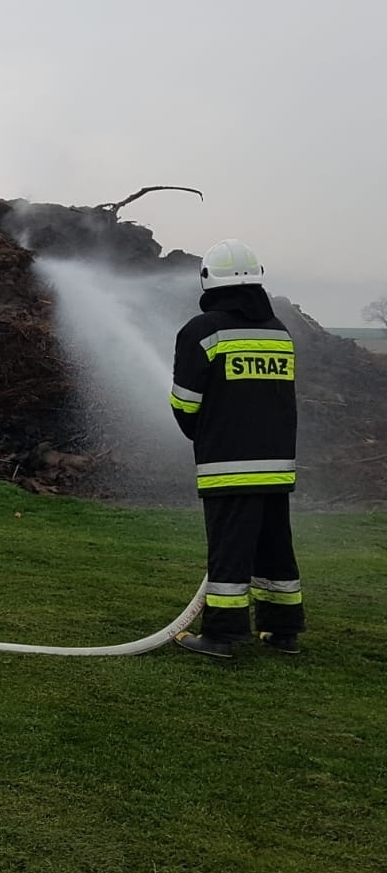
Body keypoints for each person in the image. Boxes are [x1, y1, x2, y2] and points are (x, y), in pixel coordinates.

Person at [170, 239, 303, 659]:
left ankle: (221, 636)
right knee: (274, 547)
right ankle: (283, 632)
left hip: (228, 463)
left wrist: (204, 434)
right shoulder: (279, 331)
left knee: (229, 550)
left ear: (209, 281)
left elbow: (185, 403)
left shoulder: (201, 331)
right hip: (277, 464)